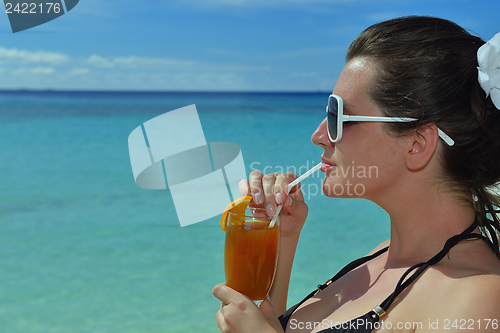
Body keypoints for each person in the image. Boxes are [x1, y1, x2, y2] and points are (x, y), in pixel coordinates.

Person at [213, 16, 500, 332]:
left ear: (417, 144)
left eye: (338, 115)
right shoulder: (379, 257)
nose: (319, 135)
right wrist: (281, 237)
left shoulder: (479, 298)